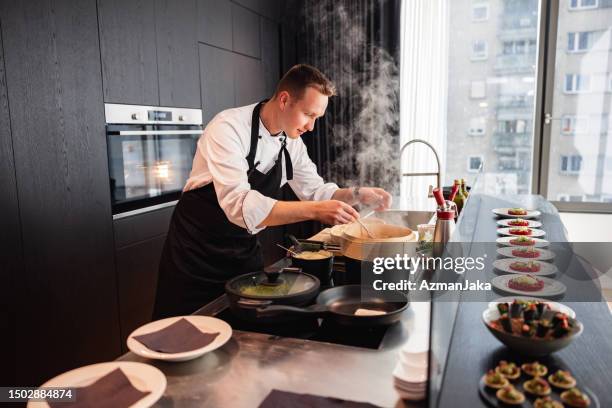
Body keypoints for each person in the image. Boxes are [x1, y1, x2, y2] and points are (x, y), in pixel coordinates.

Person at [153, 64, 392, 319]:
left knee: (247, 325)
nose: (311, 127)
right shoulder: (228, 128)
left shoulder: (292, 141)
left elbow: (316, 191)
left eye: (316, 118)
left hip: (241, 249)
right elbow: (239, 205)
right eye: (308, 115)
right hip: (195, 252)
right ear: (284, 99)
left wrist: (357, 193)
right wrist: (316, 211)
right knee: (181, 332)